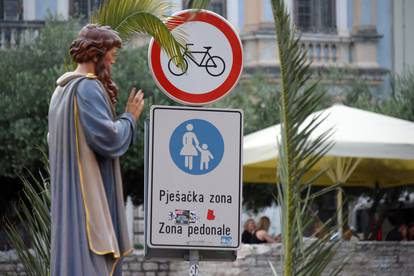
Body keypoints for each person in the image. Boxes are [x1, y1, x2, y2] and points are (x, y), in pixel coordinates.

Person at [48, 24, 145, 276]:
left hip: (69, 196)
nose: (111, 65)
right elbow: (109, 139)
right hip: (86, 197)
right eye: (110, 58)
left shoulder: (61, 91)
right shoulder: (87, 88)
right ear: (95, 55)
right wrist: (130, 118)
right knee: (91, 256)